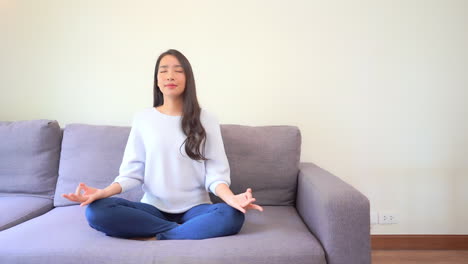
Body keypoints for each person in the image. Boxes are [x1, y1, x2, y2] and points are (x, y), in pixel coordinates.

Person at [62, 49, 263, 241]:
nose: (170, 76)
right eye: (163, 70)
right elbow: (132, 173)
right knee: (97, 211)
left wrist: (231, 200)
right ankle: (182, 233)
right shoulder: (143, 119)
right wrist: (102, 193)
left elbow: (215, 174)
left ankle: (156, 235)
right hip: (153, 209)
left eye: (178, 70)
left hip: (196, 209)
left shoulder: (206, 119)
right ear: (157, 80)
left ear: (188, 79)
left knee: (232, 215)